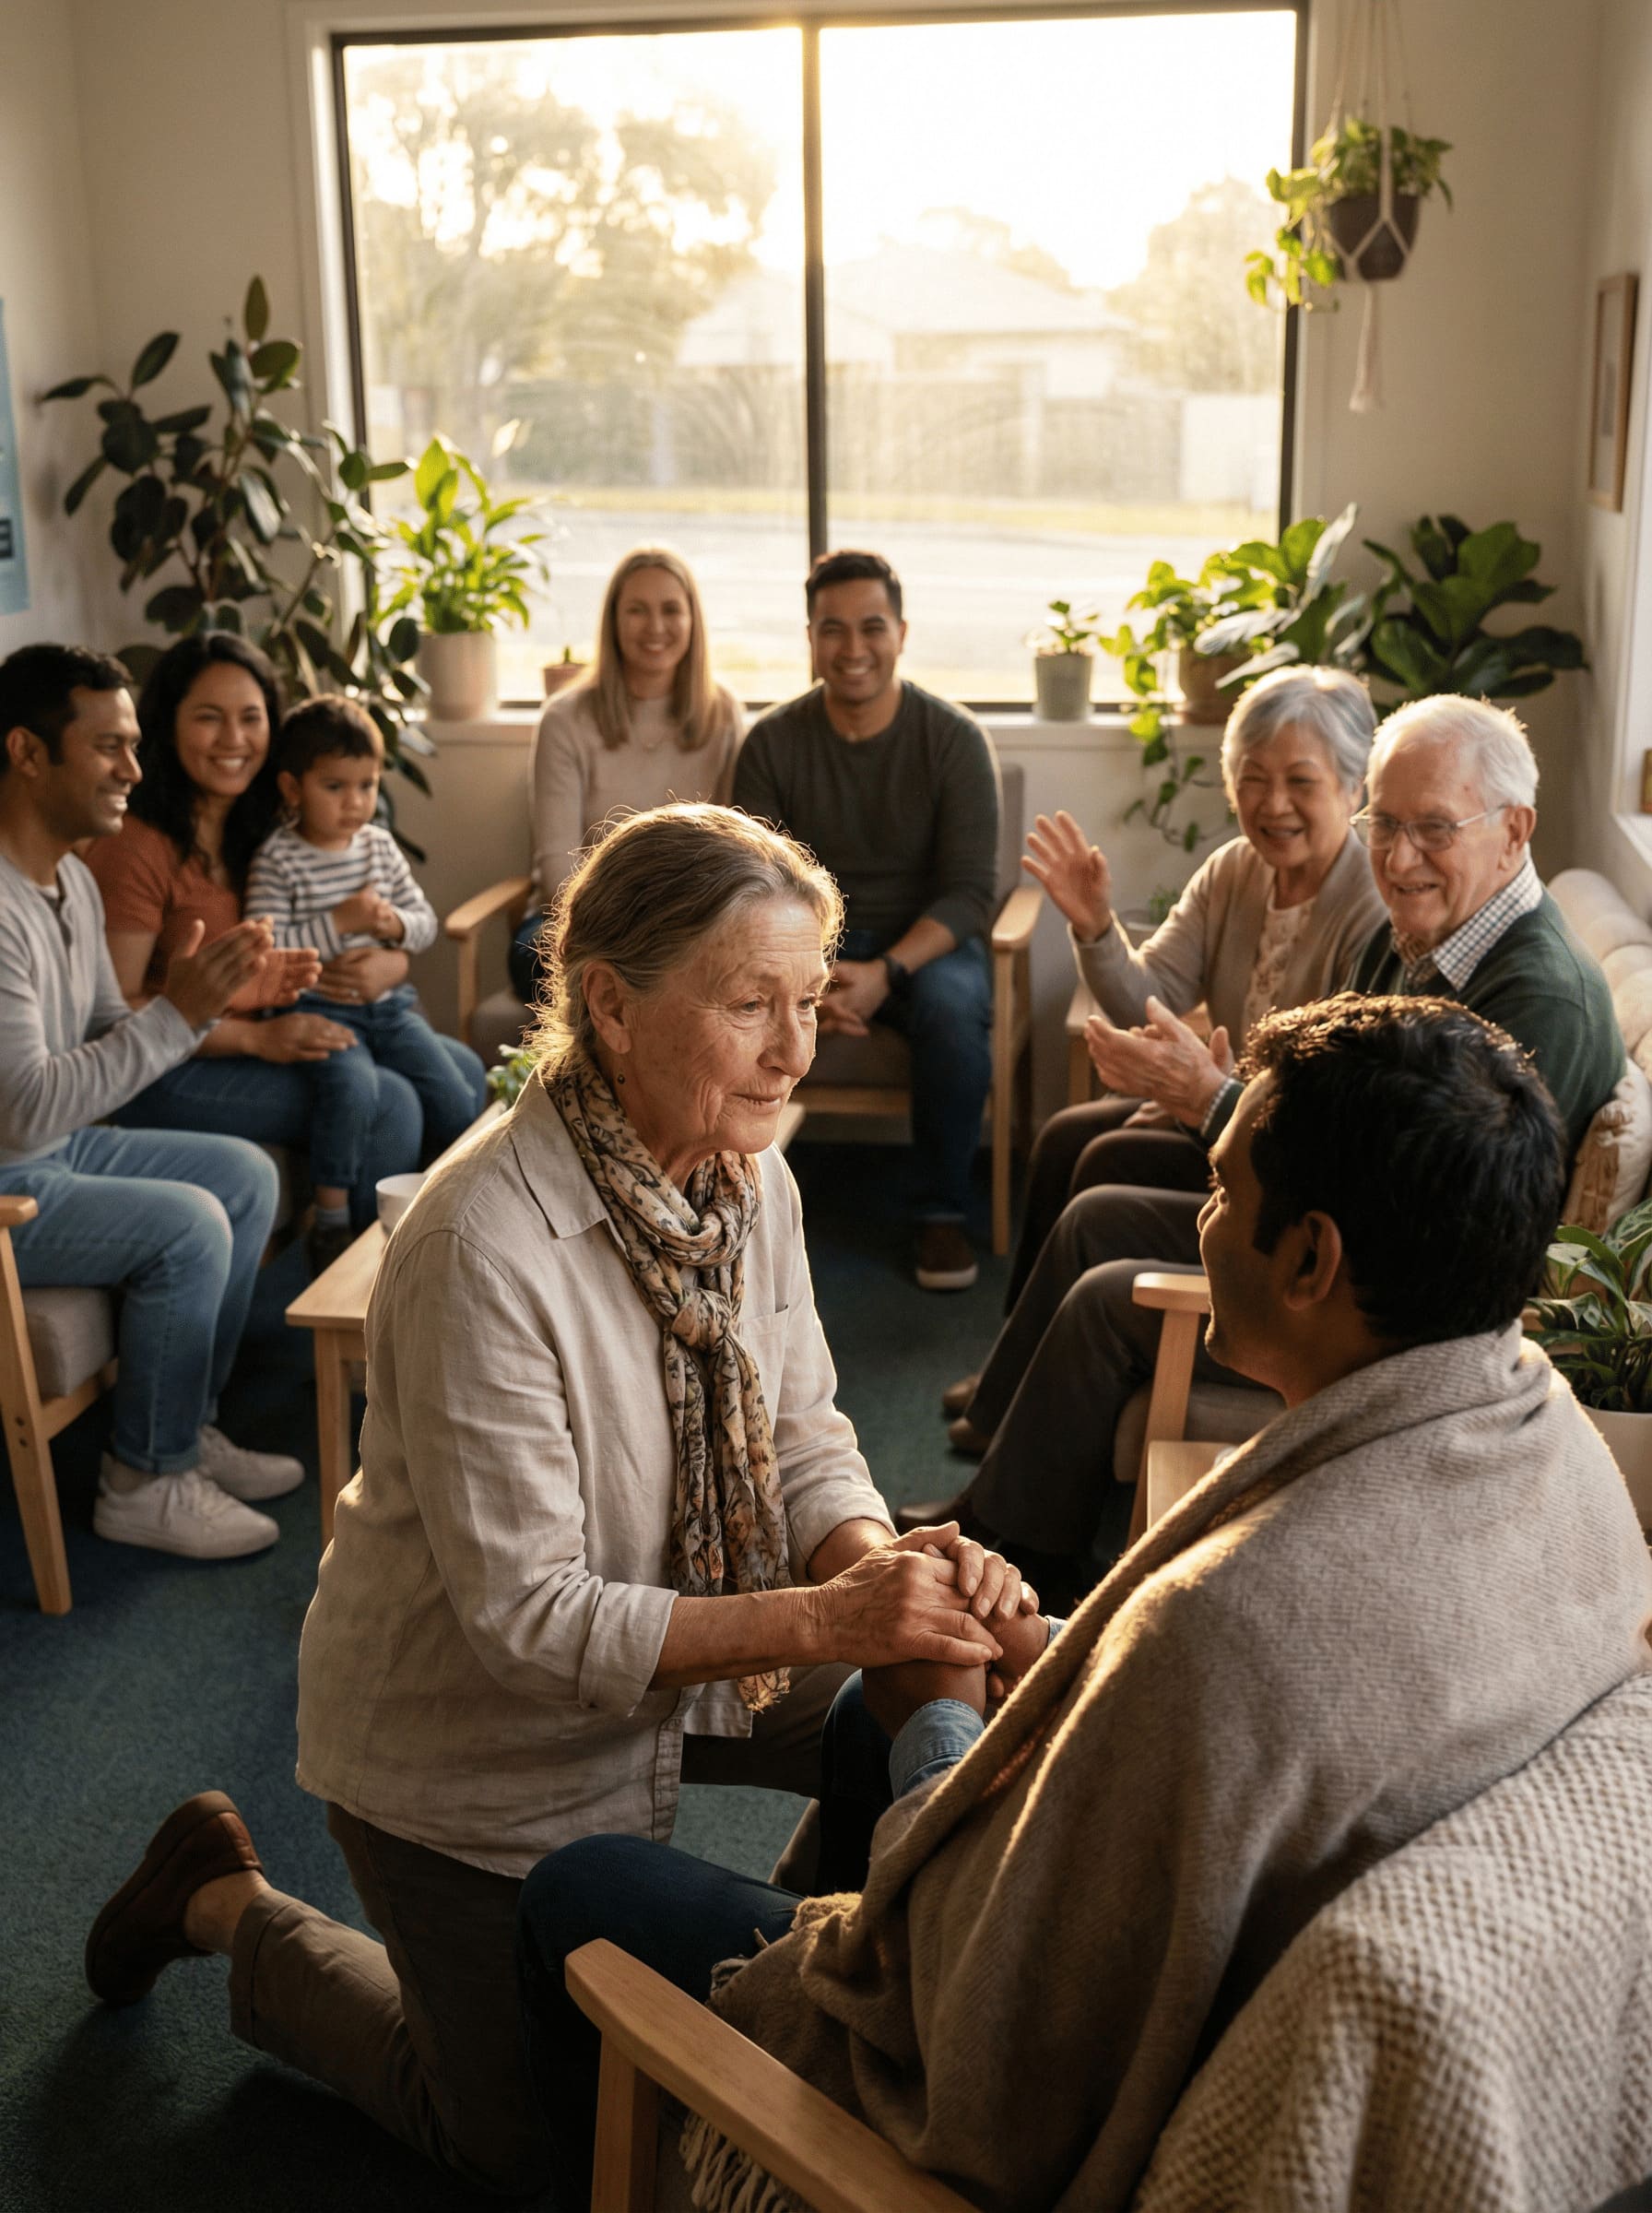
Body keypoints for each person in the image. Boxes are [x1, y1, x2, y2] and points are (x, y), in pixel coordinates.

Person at [514, 994, 1652, 2213]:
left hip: (1035, 2096)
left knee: (584, 1893)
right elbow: (1300, 1721)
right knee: (852, 1722)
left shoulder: (1233, 1630)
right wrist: (1060, 1647)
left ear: (1309, 1261)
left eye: (1219, 1191)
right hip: (1249, 1957)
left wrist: (938, 1720)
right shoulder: (1564, 1452)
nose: (1203, 1219)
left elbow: (977, 2024)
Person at [83, 803, 1032, 2195]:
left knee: (930, 1668)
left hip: (681, 1635)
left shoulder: (749, 1176)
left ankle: (802, 1977)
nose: (796, 1049)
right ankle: (221, 1901)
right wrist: (835, 1616)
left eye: (810, 1000)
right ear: (613, 1006)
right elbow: (532, 1624)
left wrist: (884, 1577)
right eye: (750, 1005)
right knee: (522, 2155)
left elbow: (806, 1435)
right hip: (468, 1731)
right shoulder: (482, 1239)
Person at [920, 694, 1625, 1586]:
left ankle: (1011, 1560)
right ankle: (1009, 1456)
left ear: (1514, 830)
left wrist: (1214, 1101)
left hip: (1372, 1297)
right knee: (1096, 1181)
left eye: (1434, 829)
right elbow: (1331, 1099)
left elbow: (1411, 1216)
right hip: (1327, 1214)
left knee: (1107, 1289)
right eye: (1386, 825)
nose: (1398, 858)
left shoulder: (1535, 1000)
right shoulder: (1426, 935)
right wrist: (1222, 1099)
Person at [934, 664, 1386, 1456]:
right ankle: (1019, 1364)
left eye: (1300, 781)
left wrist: (1208, 1093)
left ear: (1354, 789)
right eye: (1253, 778)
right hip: (1228, 1119)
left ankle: (1015, 1400)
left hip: (1285, 1158)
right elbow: (1148, 998)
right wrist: (1095, 926)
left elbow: (1329, 1103)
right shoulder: (1235, 870)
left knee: (1101, 1163)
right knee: (1064, 1141)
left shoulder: (1370, 908)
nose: (1273, 803)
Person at [0, 643, 306, 1559]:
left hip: (58, 1148)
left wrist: (214, 999)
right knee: (190, 1224)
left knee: (244, 1178)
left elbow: (107, 1026)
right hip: (12, 1178)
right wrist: (180, 1011)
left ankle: (182, 1428)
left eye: (134, 745)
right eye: (109, 747)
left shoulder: (68, 877)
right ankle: (142, 1481)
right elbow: (24, 1108)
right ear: (26, 753)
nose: (134, 769)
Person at [86, 633, 483, 1241]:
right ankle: (350, 1277)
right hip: (169, 1067)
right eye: (209, 718)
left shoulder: (265, 826)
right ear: (166, 725)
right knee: (390, 1103)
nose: (234, 739)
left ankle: (441, 1251)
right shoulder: (136, 847)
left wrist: (394, 966)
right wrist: (256, 1037)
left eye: (251, 718)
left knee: (463, 1068)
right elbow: (114, 1015)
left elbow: (344, 925)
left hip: (287, 1020)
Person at [733, 549, 1001, 1291]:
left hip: (924, 946)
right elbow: (753, 885)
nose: (854, 648)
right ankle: (732, 1203)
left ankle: (942, 1213)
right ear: (811, 639)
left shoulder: (953, 740)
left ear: (902, 634)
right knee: (733, 999)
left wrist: (887, 972)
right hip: (804, 944)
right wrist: (809, 982)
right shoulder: (772, 742)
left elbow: (970, 894)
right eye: (833, 629)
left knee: (954, 1009)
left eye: (872, 627)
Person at [245, 693, 488, 1269]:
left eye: (367, 785)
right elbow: (266, 953)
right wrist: (340, 921)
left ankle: (443, 1207)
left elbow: (423, 922)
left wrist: (393, 925)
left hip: (389, 1007)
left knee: (455, 1095)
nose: (355, 802)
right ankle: (331, 1220)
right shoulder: (278, 859)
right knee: (352, 1088)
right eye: (335, 787)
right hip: (318, 1011)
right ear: (292, 788)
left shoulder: (378, 847)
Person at [509, 543, 744, 1002]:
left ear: (692, 621)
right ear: (613, 622)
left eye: (670, 610)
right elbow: (558, 871)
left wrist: (674, 929)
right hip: (580, 924)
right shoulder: (565, 718)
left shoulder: (722, 713)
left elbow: (733, 852)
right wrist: (631, 934)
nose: (655, 626)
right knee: (542, 959)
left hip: (688, 923)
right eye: (637, 610)